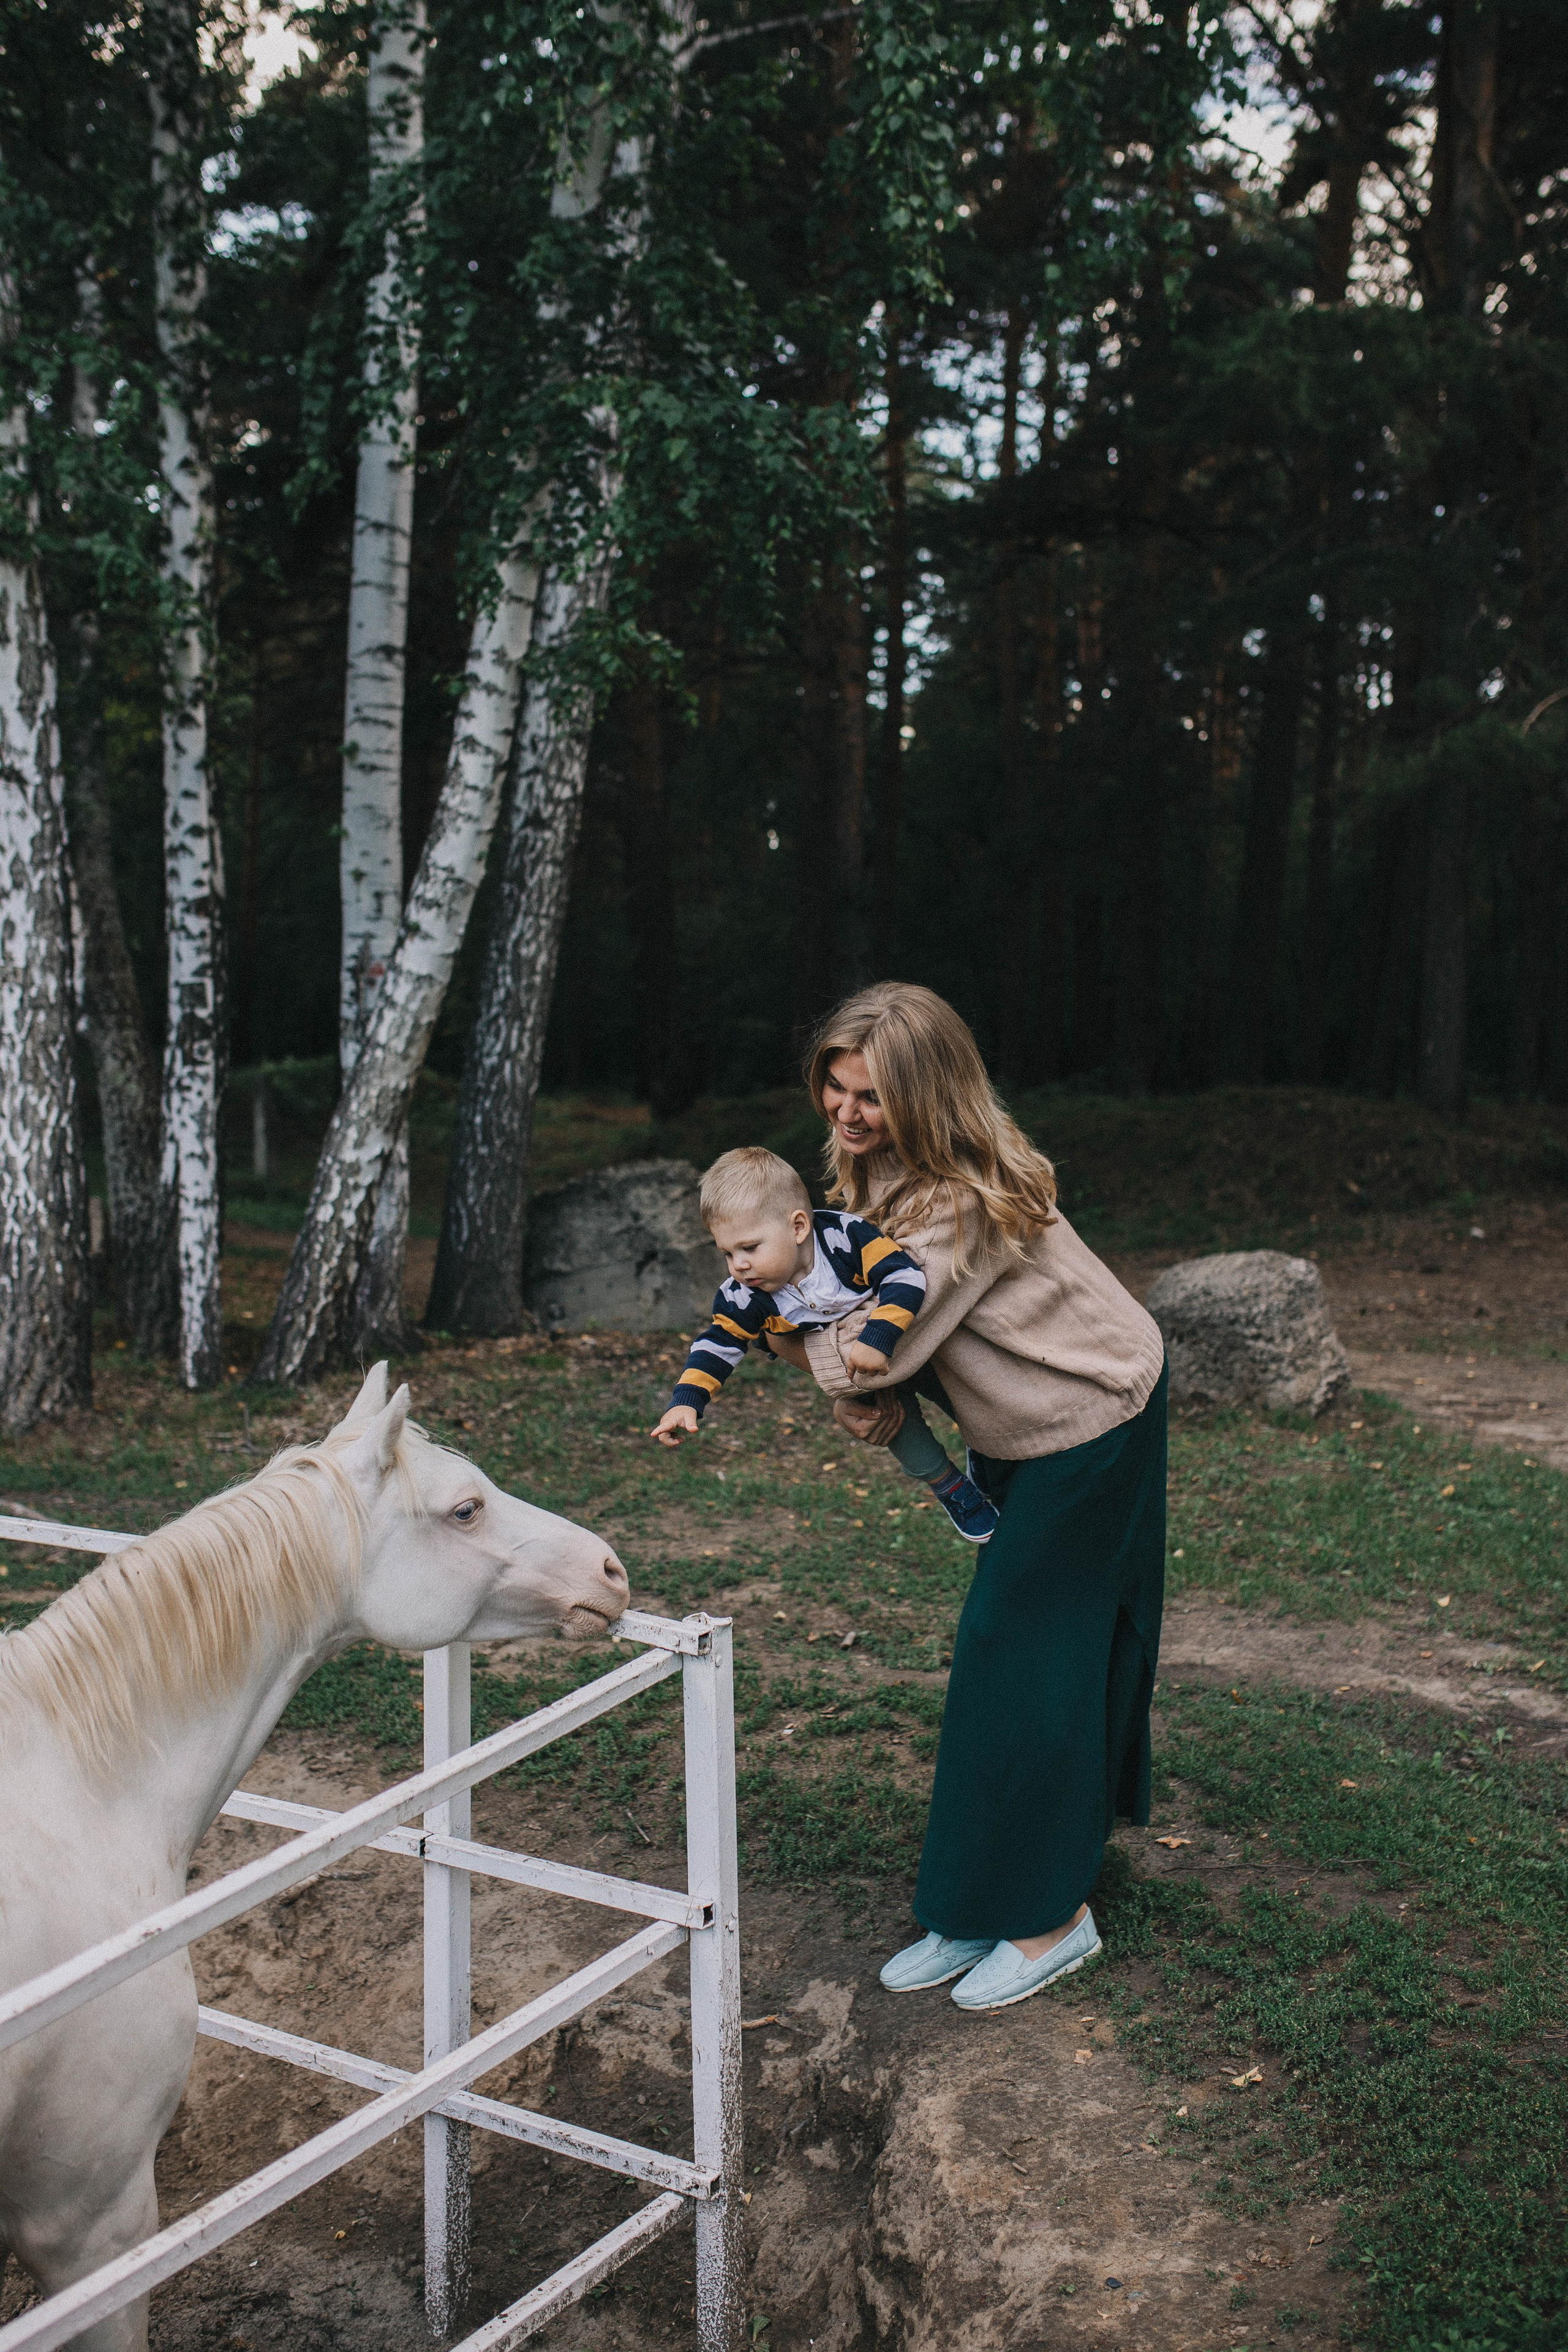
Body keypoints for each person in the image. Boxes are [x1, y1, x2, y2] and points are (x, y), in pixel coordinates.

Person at [763, 982, 1167, 2014]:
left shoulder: (956, 1203)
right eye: (837, 1087)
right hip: (1020, 1428)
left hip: (1092, 1422)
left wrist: (793, 1321)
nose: (849, 1114)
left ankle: (1052, 1921)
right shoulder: (877, 1174)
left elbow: (857, 1358)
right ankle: (978, 1902)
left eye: (874, 1097)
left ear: (930, 1098)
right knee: (1026, 1651)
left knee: (1020, 1647)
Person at [650, 1146, 998, 1540]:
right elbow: (717, 1344)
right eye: (727, 1253)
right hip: (855, 1377)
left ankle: (983, 1447)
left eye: (750, 1248)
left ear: (799, 1227)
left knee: (960, 1392)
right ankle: (950, 1487)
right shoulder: (744, 1293)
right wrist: (686, 1401)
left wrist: (877, 1337)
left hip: (906, 1345)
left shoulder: (844, 1238)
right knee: (896, 1427)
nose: (739, 1265)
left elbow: (905, 1276)